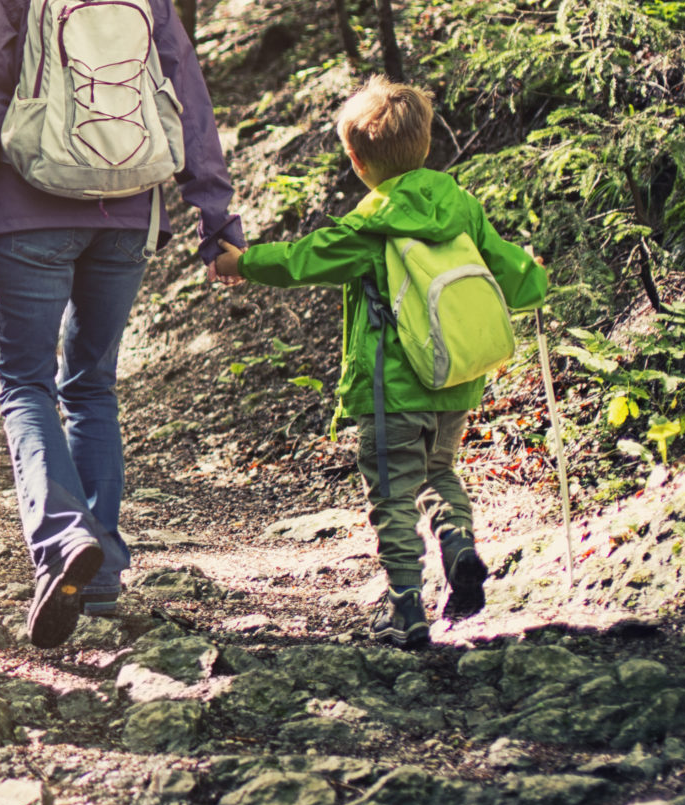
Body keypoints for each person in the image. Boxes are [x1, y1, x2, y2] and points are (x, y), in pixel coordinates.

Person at [0, 0, 242, 649]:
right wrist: (216, 218)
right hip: (127, 209)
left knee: (24, 385)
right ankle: (101, 570)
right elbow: (191, 104)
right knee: (93, 385)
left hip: (32, 209)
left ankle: (62, 539)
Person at [210, 78, 546, 648]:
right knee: (439, 474)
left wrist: (246, 261)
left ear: (356, 160)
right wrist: (533, 275)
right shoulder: (459, 205)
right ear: (427, 144)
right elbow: (511, 270)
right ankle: (460, 548)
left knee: (392, 492)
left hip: (393, 389)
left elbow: (305, 257)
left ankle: (405, 606)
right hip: (456, 382)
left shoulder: (372, 222)